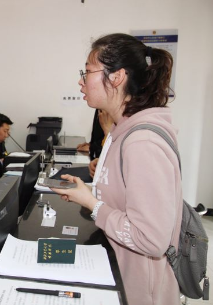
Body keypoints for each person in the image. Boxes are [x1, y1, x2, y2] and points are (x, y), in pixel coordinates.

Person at [51, 34, 182, 305]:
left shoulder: (142, 142)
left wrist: (91, 203)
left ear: (117, 77)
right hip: (118, 273)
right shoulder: (122, 132)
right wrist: (90, 190)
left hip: (137, 292)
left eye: (87, 72)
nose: (81, 80)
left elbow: (150, 239)